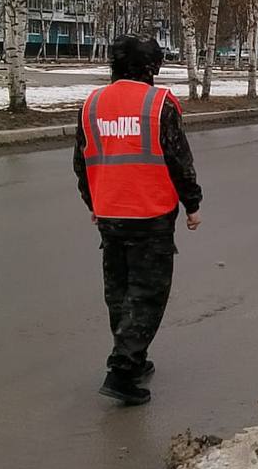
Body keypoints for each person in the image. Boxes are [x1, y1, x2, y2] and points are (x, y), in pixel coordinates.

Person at [73, 35, 202, 405]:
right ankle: (122, 370)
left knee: (119, 290)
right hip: (151, 215)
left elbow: (82, 163)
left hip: (110, 214)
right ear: (151, 68)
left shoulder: (92, 104)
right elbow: (180, 160)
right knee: (147, 295)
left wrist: (92, 203)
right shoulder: (159, 104)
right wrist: (192, 204)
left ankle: (134, 356)